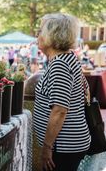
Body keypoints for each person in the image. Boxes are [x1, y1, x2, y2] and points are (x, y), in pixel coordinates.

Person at [34, 13, 90, 171]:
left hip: (64, 147)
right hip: (68, 145)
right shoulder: (68, 58)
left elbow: (59, 110)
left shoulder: (60, 65)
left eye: (40, 31)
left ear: (51, 36)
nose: (37, 35)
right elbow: (86, 91)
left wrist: (47, 147)